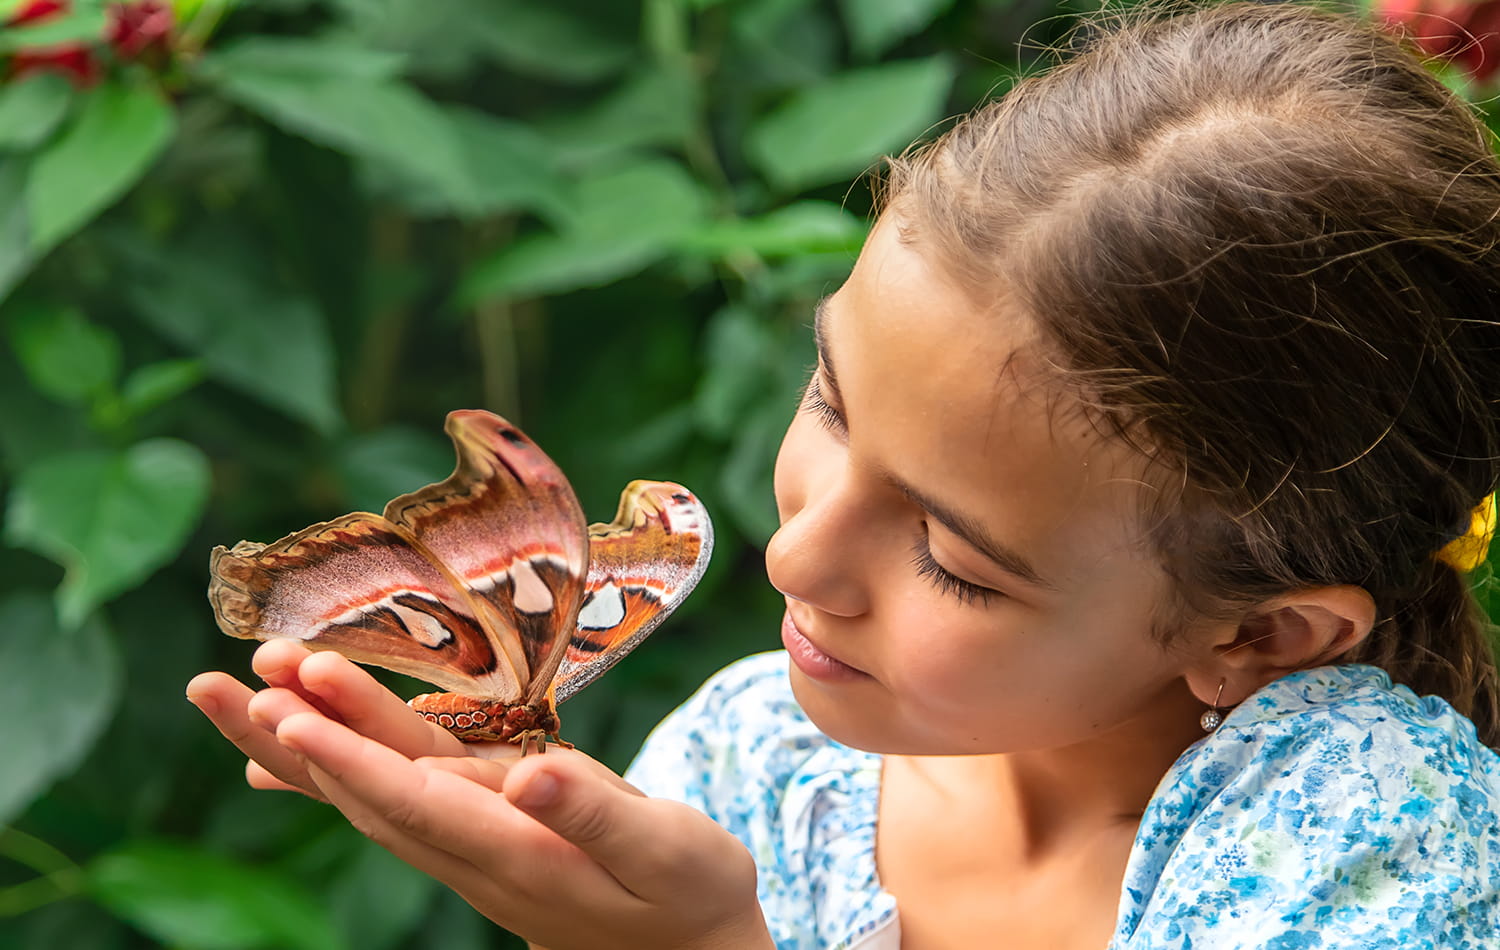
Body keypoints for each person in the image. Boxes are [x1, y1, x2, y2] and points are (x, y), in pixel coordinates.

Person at [186, 3, 1500, 947]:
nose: (794, 557)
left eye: (952, 557)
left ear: (1259, 628)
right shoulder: (756, 756)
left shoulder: (1380, 843)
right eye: (828, 400)